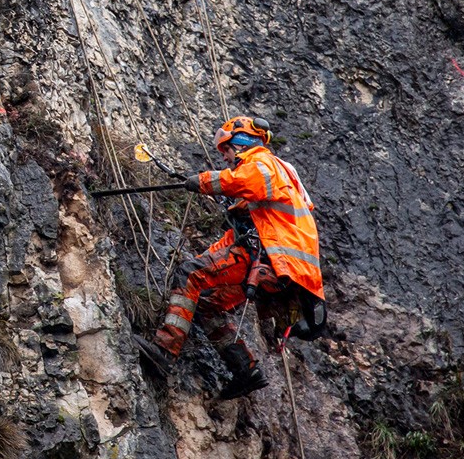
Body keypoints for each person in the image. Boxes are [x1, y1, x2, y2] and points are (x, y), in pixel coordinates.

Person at [135, 115, 324, 399]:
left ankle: (164, 352)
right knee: (206, 306)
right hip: (284, 269)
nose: (224, 156)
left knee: (190, 274)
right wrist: (209, 255)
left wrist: (201, 181)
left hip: (271, 258)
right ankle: (245, 370)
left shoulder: (263, 163)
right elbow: (242, 233)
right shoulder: (281, 179)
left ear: (241, 142)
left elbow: (240, 182)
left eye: (225, 149)